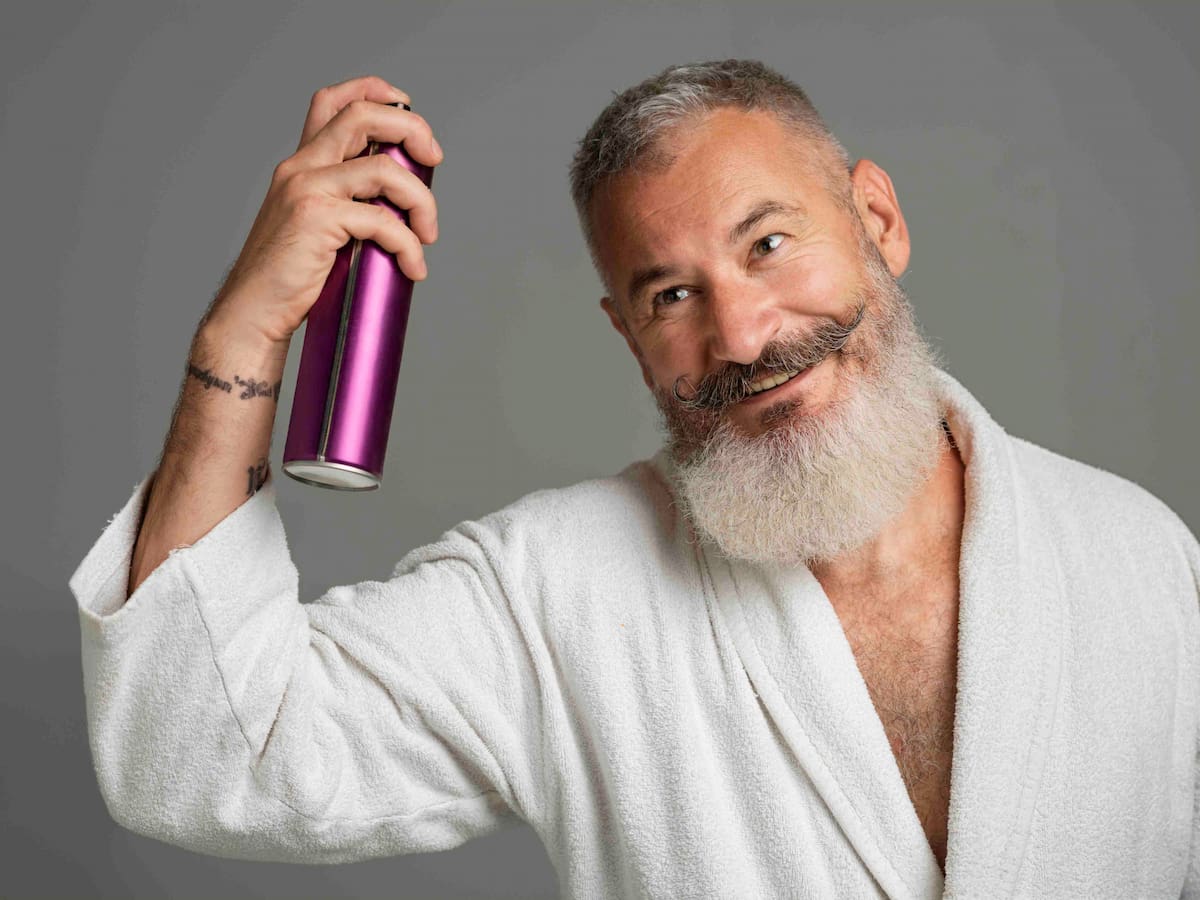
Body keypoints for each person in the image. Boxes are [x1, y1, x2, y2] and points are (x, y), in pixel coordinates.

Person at [69, 60, 1199, 898]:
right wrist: (244, 332)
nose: (746, 336)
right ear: (625, 336)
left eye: (768, 245)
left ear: (879, 222)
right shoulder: (559, 591)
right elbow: (208, 752)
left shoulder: (1140, 556)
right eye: (670, 296)